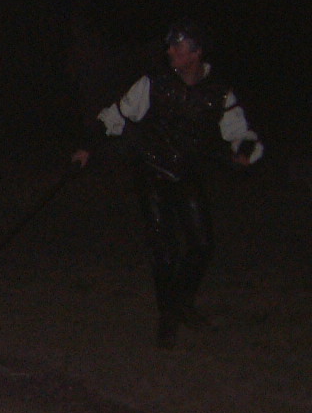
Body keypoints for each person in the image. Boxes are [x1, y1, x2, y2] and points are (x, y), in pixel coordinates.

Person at [71, 20, 262, 349]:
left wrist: (244, 154)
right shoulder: (153, 83)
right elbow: (117, 114)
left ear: (196, 52)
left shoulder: (219, 91)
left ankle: (182, 303)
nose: (170, 50)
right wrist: (89, 146)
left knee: (202, 244)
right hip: (152, 172)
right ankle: (168, 317)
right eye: (170, 44)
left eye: (178, 45)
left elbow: (240, 132)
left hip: (187, 174)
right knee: (164, 250)